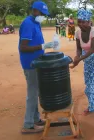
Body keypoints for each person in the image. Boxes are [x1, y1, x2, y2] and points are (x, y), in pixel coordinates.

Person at [18, 1, 58, 133]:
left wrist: (44, 46)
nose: (43, 16)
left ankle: (36, 119)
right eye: (42, 14)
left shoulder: (36, 23)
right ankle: (28, 124)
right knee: (33, 93)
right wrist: (42, 47)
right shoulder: (28, 23)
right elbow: (23, 47)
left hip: (37, 62)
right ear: (35, 11)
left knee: (36, 92)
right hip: (30, 64)